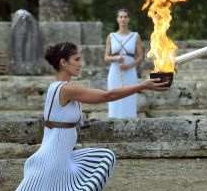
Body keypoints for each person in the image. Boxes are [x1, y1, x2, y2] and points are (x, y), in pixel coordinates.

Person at [16, 41, 167, 191]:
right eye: (76, 59)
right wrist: (143, 85)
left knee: (105, 157)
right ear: (63, 62)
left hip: (63, 157)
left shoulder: (60, 87)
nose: (80, 64)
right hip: (52, 158)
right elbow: (107, 96)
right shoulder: (66, 89)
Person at [104, 9, 144, 118]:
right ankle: (113, 122)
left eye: (125, 17)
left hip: (130, 72)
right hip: (115, 71)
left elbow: (140, 57)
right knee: (114, 97)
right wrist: (116, 57)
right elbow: (106, 57)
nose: (123, 19)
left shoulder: (135, 36)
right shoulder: (111, 36)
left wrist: (128, 66)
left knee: (129, 98)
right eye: (121, 17)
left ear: (129, 19)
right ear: (117, 19)